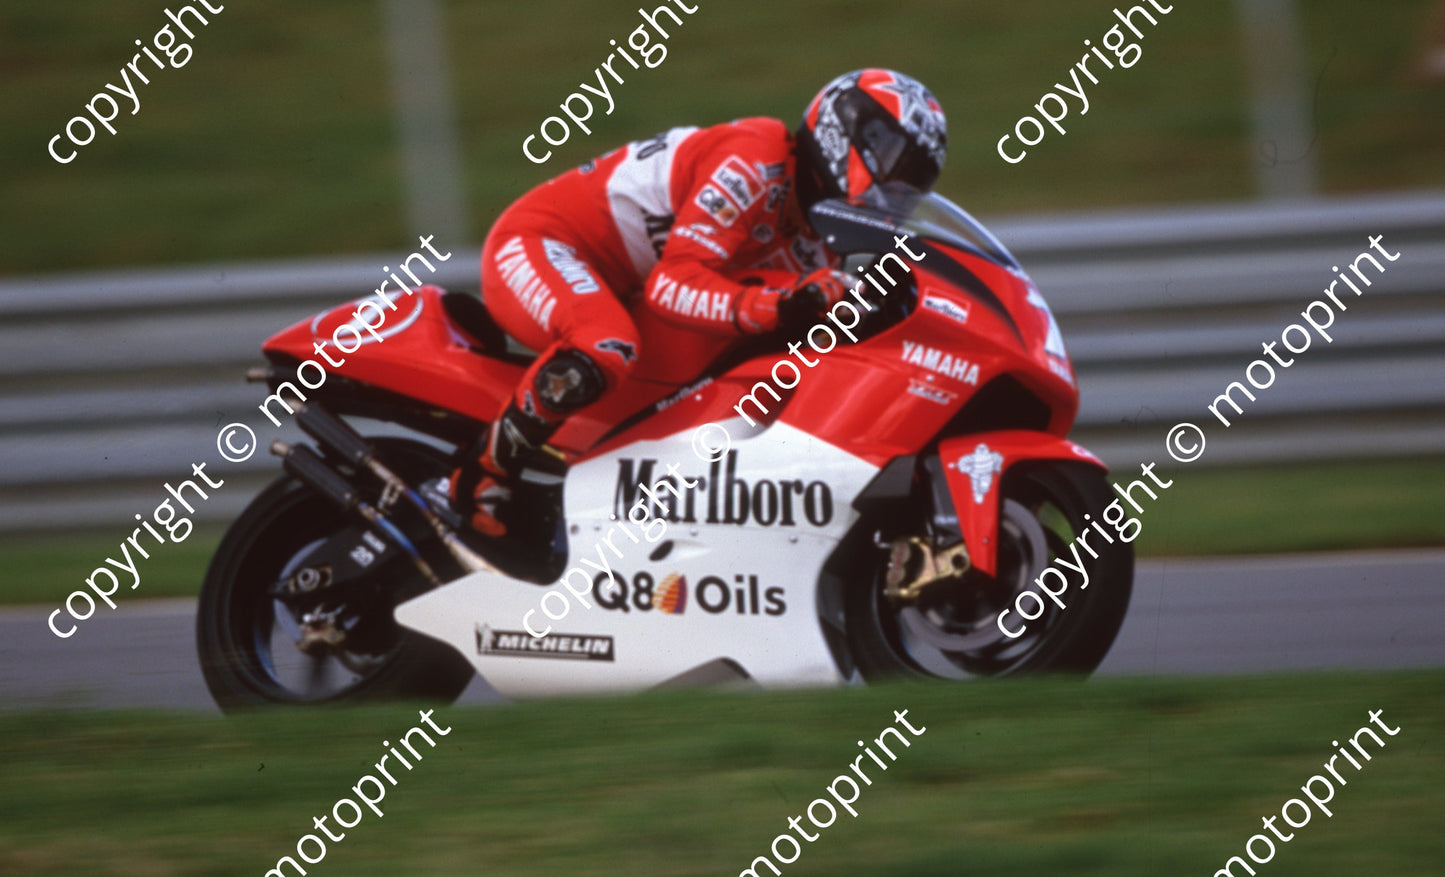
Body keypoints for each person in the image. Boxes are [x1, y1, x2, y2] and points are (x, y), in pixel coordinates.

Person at [450, 68, 948, 536]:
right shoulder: (756, 159)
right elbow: (673, 286)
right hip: (541, 244)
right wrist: (779, 306)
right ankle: (481, 476)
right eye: (895, 169)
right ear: (849, 133)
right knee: (607, 344)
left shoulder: (819, 243)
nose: (897, 195)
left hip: (623, 291)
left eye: (913, 185)